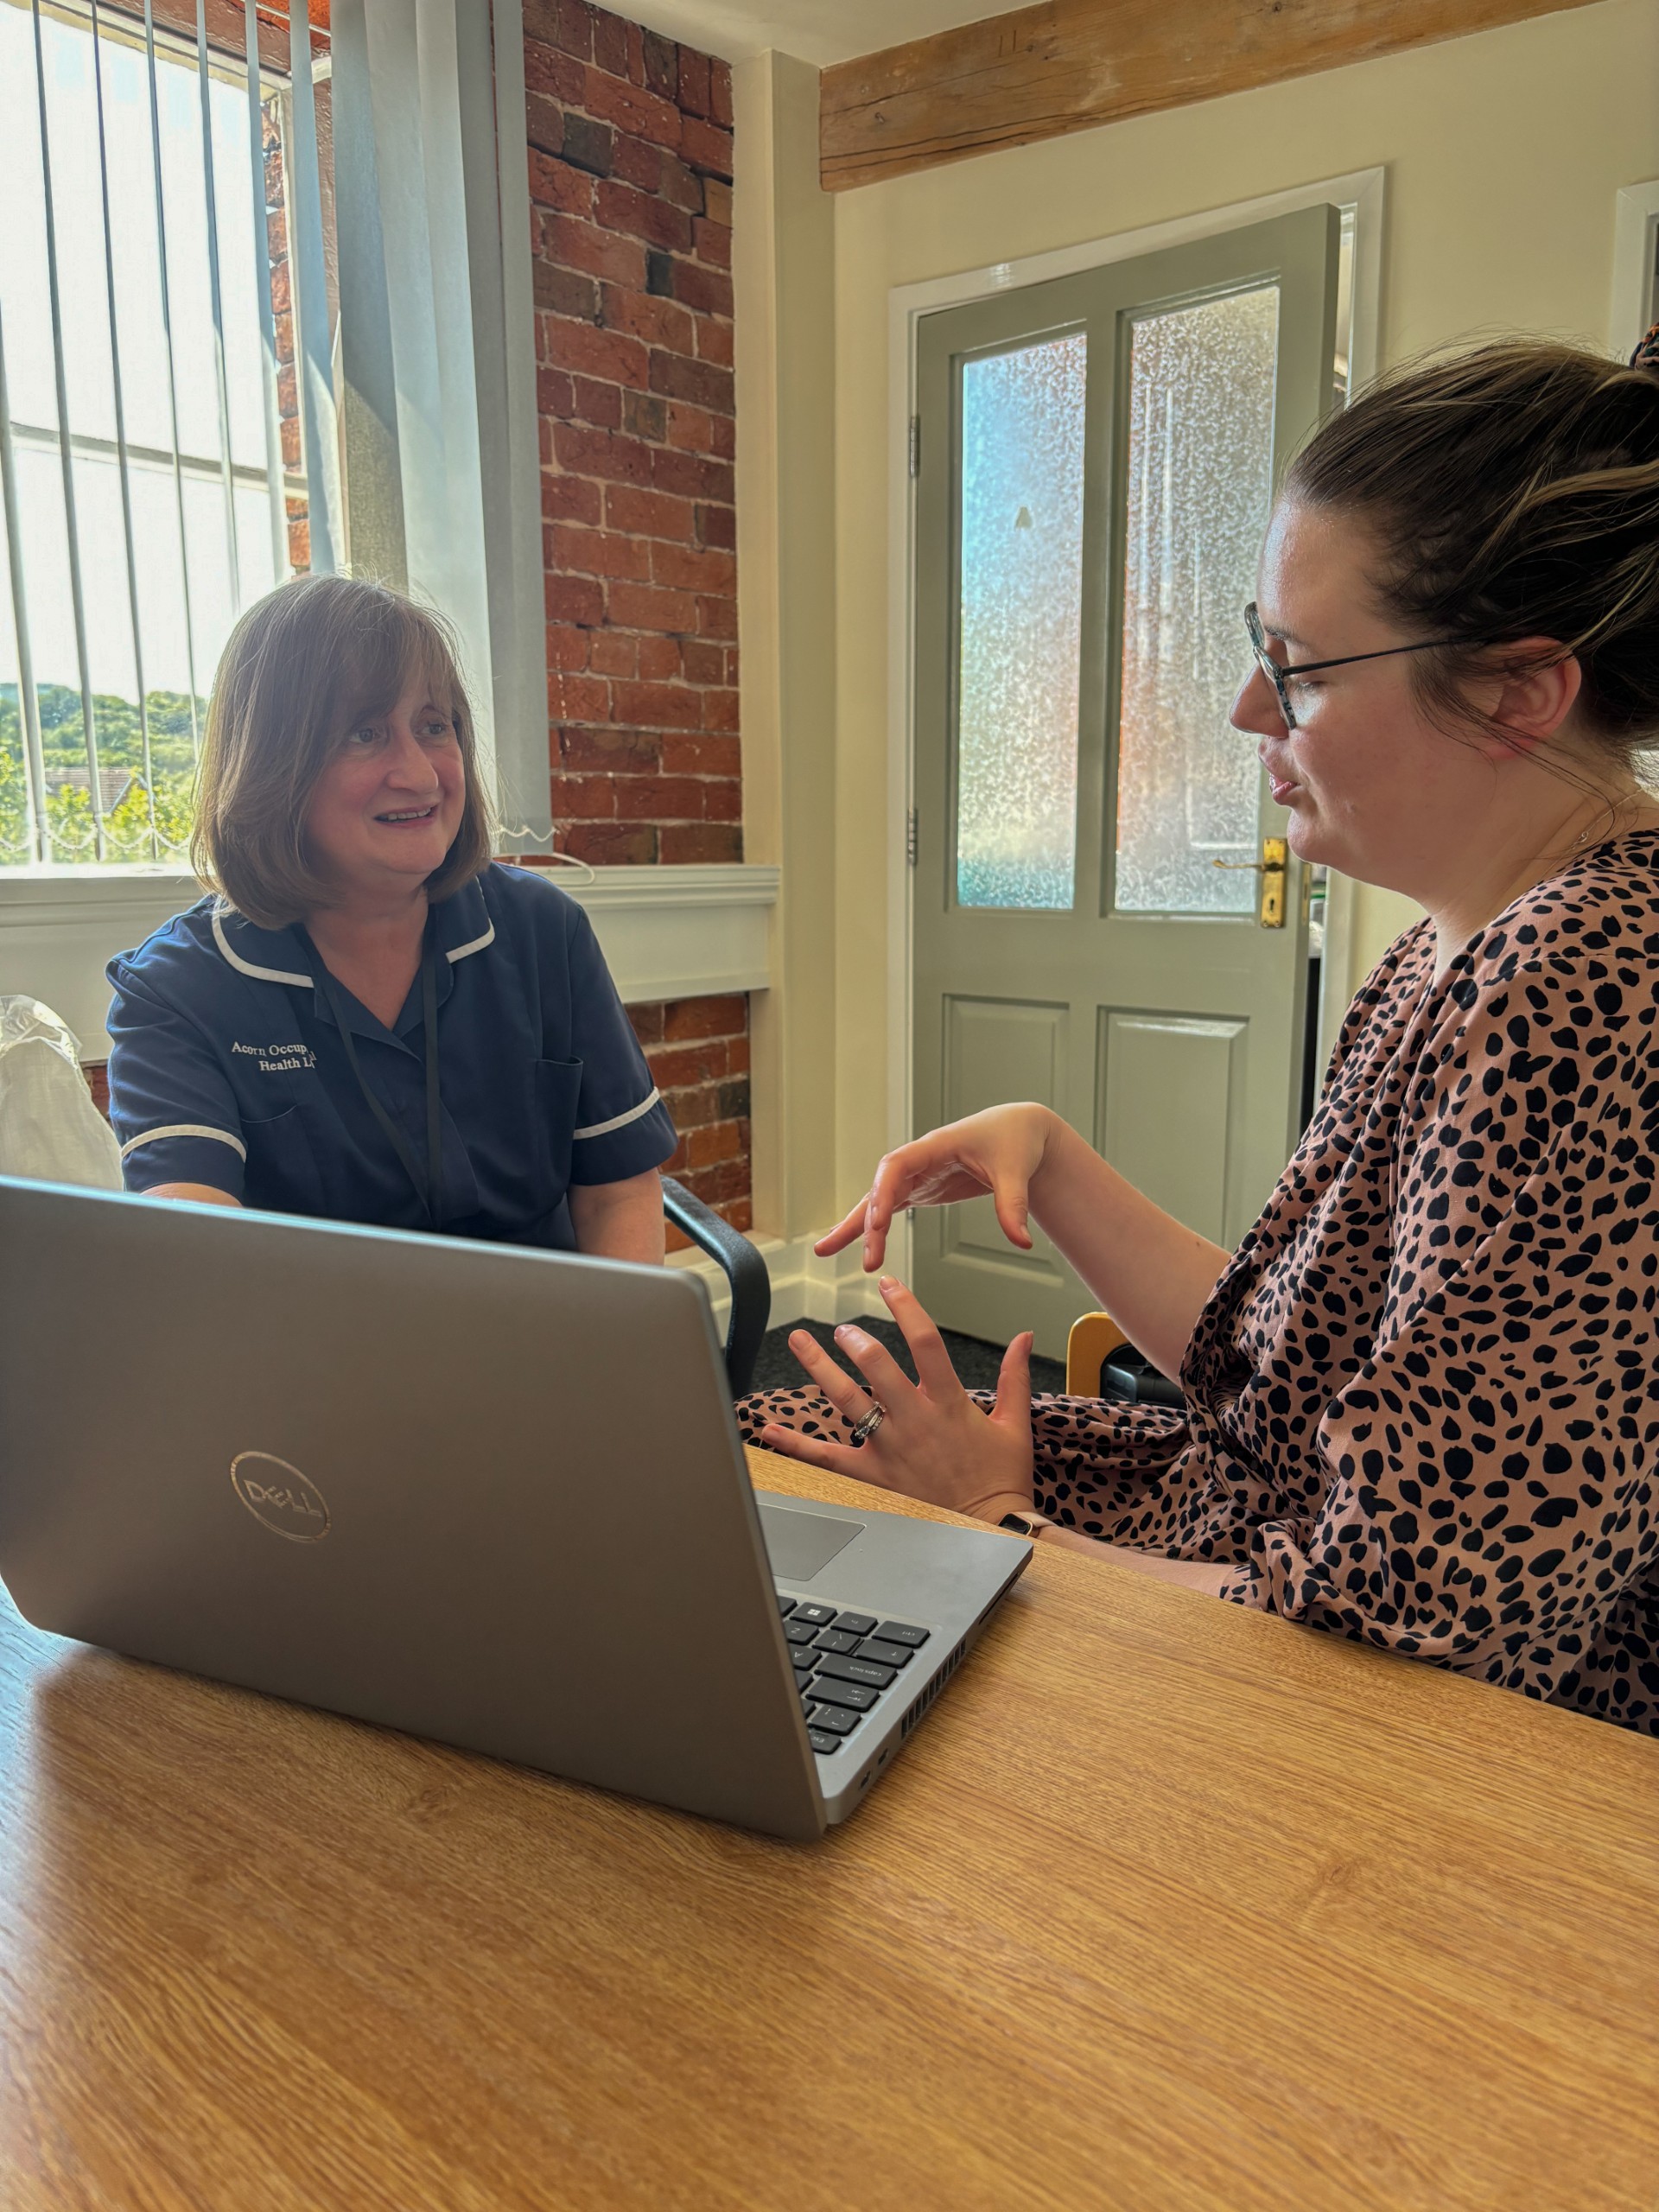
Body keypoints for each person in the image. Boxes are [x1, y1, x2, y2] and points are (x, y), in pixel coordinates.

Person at [742, 330, 1659, 1735]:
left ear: (1519, 691)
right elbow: (1276, 1383)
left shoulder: (1580, 998)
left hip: (1382, 1721)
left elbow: (1402, 1645)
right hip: (1248, 1558)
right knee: (800, 1447)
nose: (1247, 711)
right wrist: (1052, 1164)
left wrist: (996, 1520)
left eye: (1295, 668)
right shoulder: (1446, 950)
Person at [107, 575, 676, 1259]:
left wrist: (614, 1364)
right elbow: (195, 1254)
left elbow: (618, 1190)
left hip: (551, 1343)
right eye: (364, 733)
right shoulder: (175, 991)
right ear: (271, 766)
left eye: (434, 727)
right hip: (318, 1354)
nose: (420, 773)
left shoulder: (542, 928)